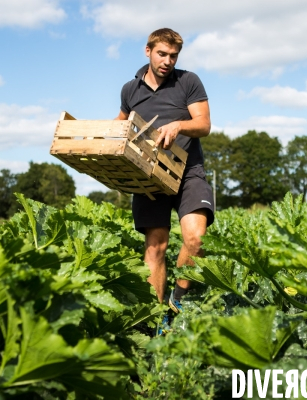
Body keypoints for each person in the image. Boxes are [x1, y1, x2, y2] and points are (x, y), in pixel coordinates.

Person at [115, 28, 214, 322]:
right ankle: (156, 318)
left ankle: (176, 304)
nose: (168, 61)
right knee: (156, 246)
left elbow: (204, 124)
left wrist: (179, 126)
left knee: (196, 239)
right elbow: (120, 125)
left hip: (188, 171)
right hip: (150, 176)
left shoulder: (188, 81)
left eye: (173, 55)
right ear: (148, 51)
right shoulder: (129, 90)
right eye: (162, 54)